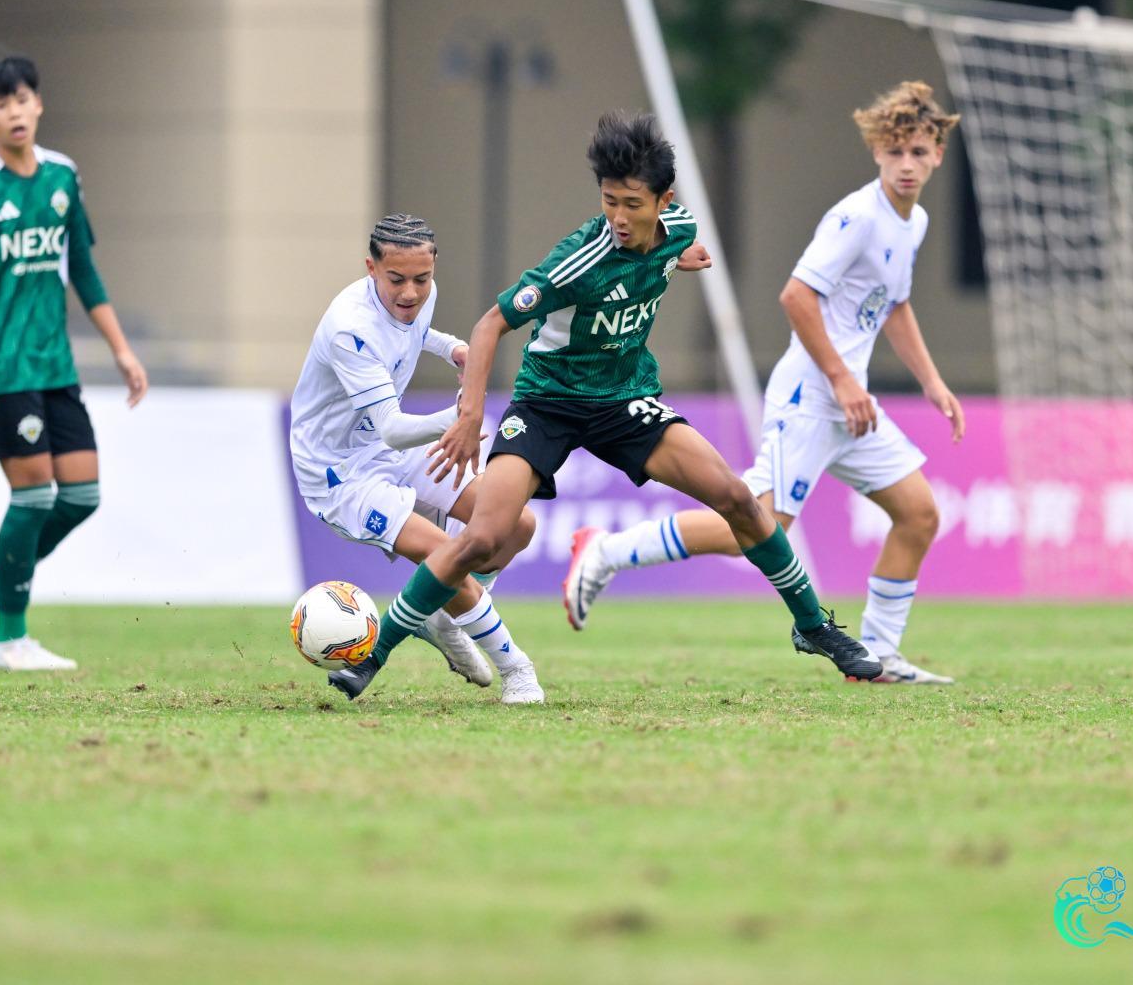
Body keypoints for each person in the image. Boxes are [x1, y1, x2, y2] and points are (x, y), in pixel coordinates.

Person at [328, 110, 882, 701]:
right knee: (483, 538)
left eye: (632, 204)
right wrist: (469, 417)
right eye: (609, 201)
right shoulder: (579, 259)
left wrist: (675, 259)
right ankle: (374, 658)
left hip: (625, 400)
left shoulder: (680, 226)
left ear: (663, 200)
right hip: (547, 403)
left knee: (738, 499)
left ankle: (813, 626)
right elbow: (490, 325)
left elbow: (672, 246)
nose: (618, 217)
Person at [565, 81, 964, 684]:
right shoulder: (857, 217)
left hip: (850, 404)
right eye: (896, 151)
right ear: (878, 153)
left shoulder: (914, 222)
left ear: (937, 154)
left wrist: (932, 383)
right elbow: (796, 295)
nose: (908, 163)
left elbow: (896, 304)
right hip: (813, 396)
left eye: (920, 151)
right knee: (757, 529)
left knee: (918, 514)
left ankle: (880, 655)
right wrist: (842, 380)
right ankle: (607, 551)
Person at [0, 55, 148, 671]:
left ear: (39, 105)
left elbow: (82, 267)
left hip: (55, 363)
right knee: (31, 496)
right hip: (0, 365)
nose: (14, 112)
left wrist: (121, 349)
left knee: (81, 496)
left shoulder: (63, 176)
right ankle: (9, 639)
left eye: (22, 99)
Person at [289, 213, 545, 704]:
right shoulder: (350, 329)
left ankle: (441, 614)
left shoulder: (420, 294)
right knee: (441, 553)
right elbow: (392, 425)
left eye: (421, 279)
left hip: (389, 450)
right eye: (396, 280)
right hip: (340, 473)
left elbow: (414, 332)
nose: (410, 292)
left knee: (516, 525)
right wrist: (460, 417)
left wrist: (453, 348)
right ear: (371, 268)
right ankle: (518, 670)